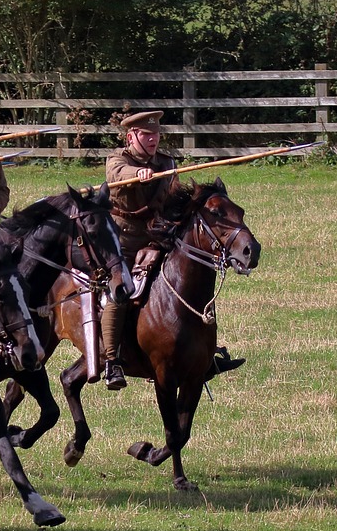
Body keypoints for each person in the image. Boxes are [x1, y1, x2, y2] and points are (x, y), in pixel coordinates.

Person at [100, 111, 242, 389]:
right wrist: (137, 174)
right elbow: (117, 174)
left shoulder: (166, 162)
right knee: (119, 290)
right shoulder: (119, 160)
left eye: (155, 134)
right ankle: (111, 359)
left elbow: (173, 197)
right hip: (122, 240)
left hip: (157, 236)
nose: (152, 139)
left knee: (190, 279)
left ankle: (202, 353)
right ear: (131, 137)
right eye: (145, 135)